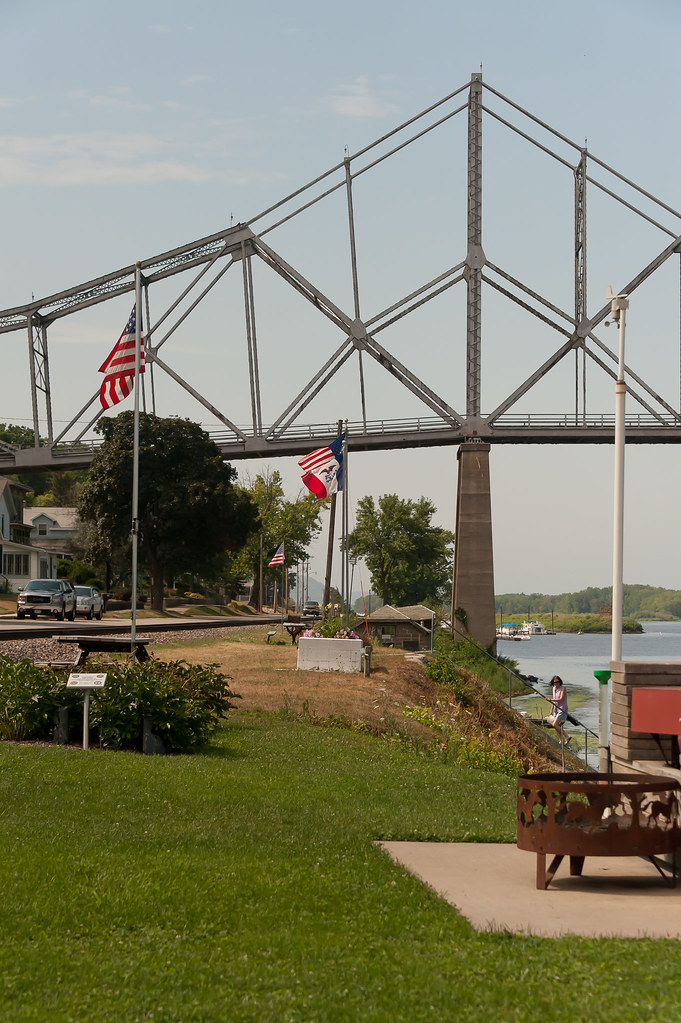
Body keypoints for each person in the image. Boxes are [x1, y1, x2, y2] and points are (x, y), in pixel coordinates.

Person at [548, 675, 571, 746]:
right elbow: (554, 699)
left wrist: (550, 699)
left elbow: (560, 699)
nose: (556, 683)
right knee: (556, 726)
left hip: (562, 709)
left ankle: (567, 736)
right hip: (555, 709)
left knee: (554, 724)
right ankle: (560, 741)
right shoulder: (554, 688)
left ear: (560, 682)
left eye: (558, 682)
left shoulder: (563, 688)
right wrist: (551, 709)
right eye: (555, 682)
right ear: (553, 683)